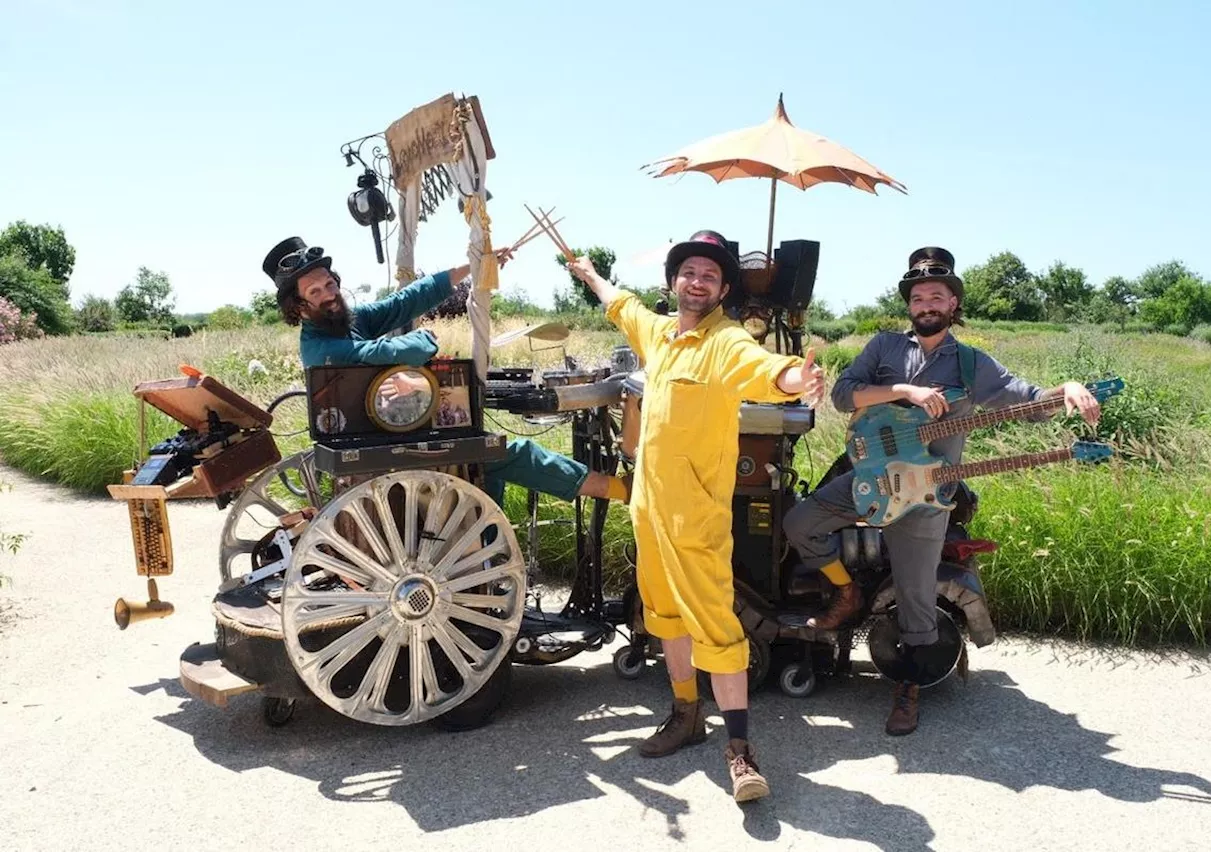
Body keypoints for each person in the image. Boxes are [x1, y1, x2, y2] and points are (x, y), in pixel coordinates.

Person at [782, 246, 1101, 736]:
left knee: (915, 594)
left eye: (937, 295)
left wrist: (1070, 388)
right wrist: (904, 392)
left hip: (924, 495)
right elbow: (846, 394)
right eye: (918, 296)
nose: (926, 303)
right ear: (909, 305)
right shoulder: (885, 348)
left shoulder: (972, 365)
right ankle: (845, 593)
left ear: (953, 304)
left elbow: (1031, 401)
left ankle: (909, 685)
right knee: (799, 523)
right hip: (869, 479)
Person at [567, 230, 825, 804]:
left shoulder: (725, 341)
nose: (698, 280)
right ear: (674, 282)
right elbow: (621, 305)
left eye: (710, 274)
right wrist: (588, 272)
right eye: (689, 272)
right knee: (664, 616)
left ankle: (740, 751)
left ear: (723, 289)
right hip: (649, 513)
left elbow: (766, 369)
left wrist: (796, 379)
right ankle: (686, 714)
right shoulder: (659, 333)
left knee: (718, 629)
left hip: (696, 521)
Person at [262, 236, 630, 508]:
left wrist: (472, 268)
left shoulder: (343, 321)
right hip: (386, 449)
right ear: (299, 307)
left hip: (392, 438)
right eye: (316, 290)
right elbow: (384, 351)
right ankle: (620, 490)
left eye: (330, 284)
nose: (329, 293)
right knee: (509, 453)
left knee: (490, 467)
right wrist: (425, 341)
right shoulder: (321, 346)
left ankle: (486, 567)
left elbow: (406, 301)